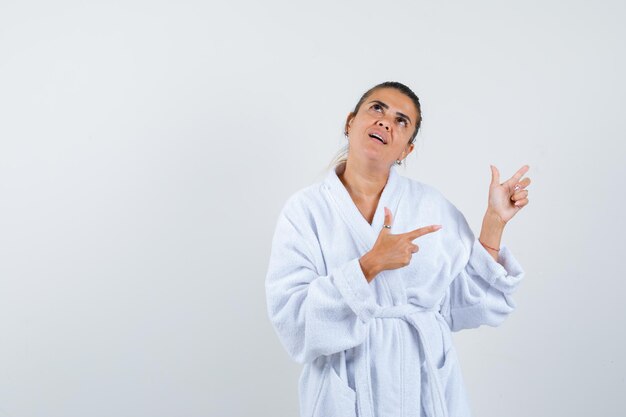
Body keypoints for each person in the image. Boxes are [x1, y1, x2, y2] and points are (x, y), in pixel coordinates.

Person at [265, 81, 531, 417]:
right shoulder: (305, 210)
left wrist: (495, 220)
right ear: (350, 123)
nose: (385, 121)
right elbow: (294, 320)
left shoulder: (432, 206)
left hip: (424, 385)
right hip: (347, 388)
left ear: (406, 150)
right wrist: (368, 266)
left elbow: (469, 301)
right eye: (376, 108)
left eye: (401, 120)